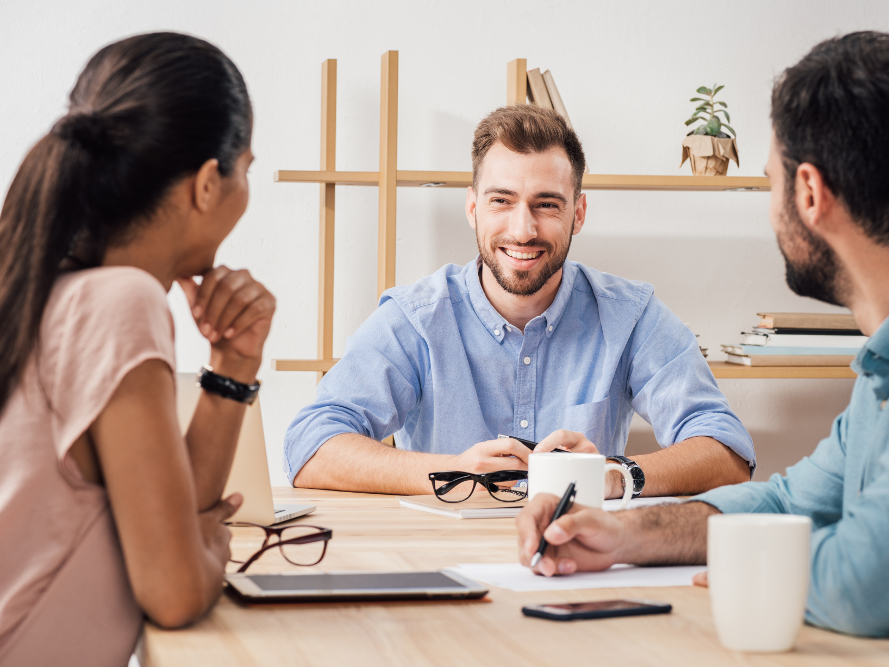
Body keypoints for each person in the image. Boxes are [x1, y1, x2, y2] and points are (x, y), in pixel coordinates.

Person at [515, 32, 889, 659]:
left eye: (769, 183)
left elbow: (866, 578)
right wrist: (620, 533)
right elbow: (787, 503)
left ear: (809, 193)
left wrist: (752, 567)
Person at [285, 105, 754, 497]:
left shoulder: (629, 316)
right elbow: (309, 447)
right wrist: (453, 472)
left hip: (579, 563)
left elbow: (728, 451)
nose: (523, 230)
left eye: (547, 204)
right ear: (472, 208)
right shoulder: (416, 318)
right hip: (444, 562)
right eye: (501, 201)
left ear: (578, 213)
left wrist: (615, 475)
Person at [0, 33, 276, 666]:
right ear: (209, 183)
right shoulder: (120, 303)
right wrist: (208, 547)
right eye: (247, 169)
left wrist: (233, 367)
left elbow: (172, 518)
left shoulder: (53, 288)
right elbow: (175, 591)